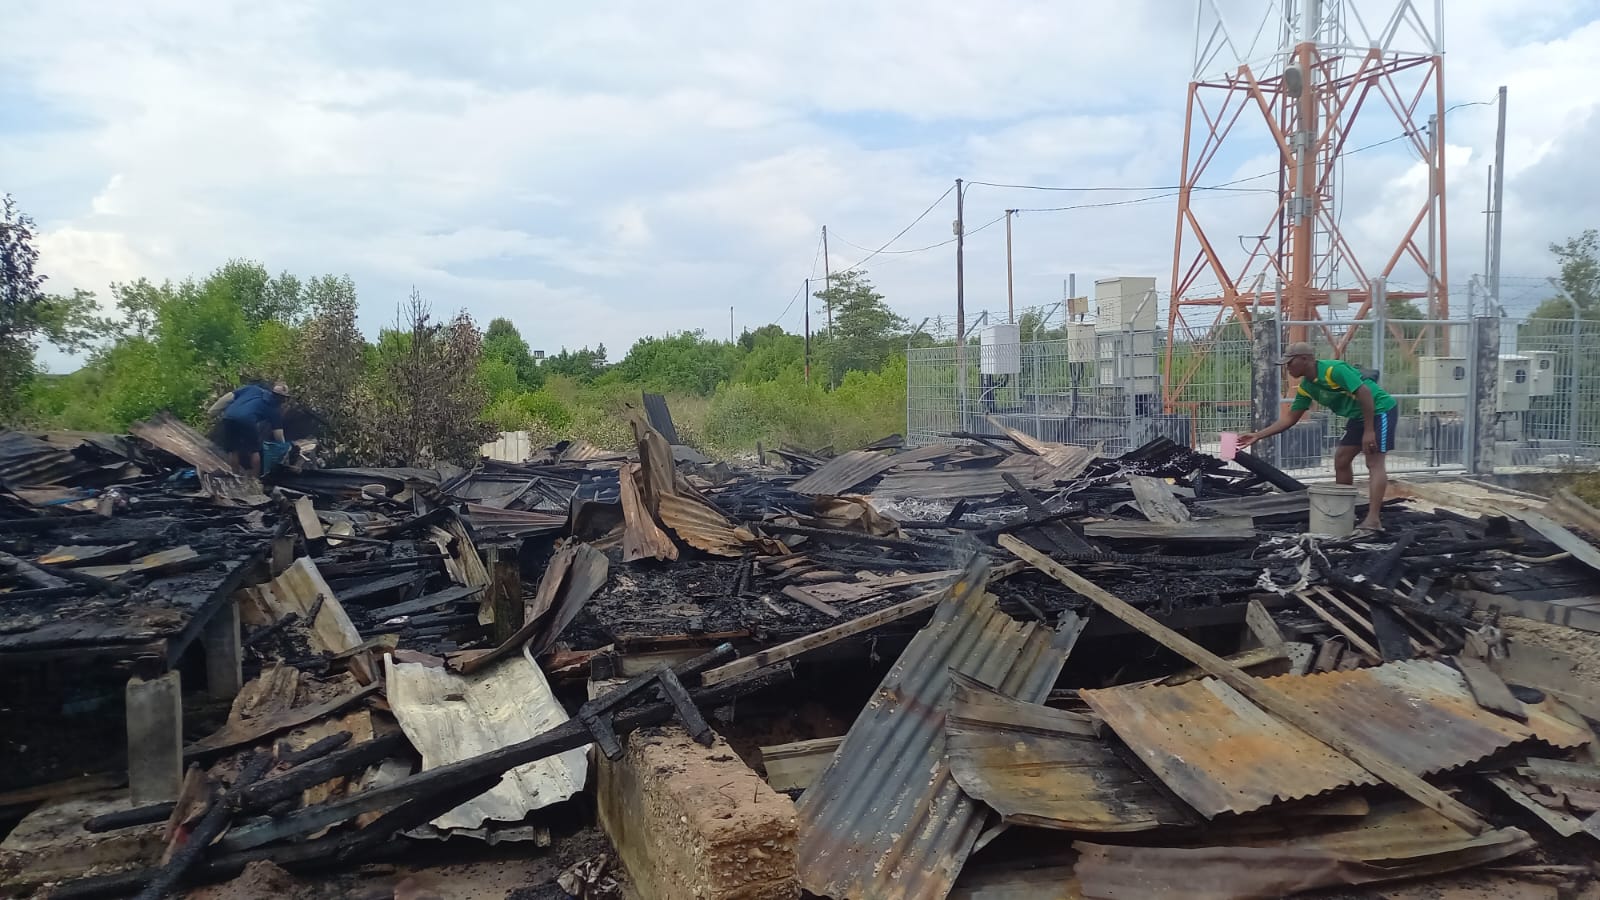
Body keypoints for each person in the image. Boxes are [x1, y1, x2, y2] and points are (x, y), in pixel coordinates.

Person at [1238, 342, 1397, 532]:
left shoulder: (1333, 370)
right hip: (1358, 416)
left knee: (1374, 462)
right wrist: (1257, 435)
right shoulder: (1306, 387)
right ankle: (1345, 510)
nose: (1287, 368)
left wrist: (1369, 430)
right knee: (1341, 459)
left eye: (1290, 363)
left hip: (1380, 410)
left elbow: (1365, 393)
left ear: (1305, 359)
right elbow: (1290, 418)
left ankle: (1373, 519)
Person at [207, 380, 289, 475]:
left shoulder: (251, 389)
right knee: (254, 451)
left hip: (228, 416)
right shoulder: (274, 409)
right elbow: (278, 435)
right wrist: (285, 448)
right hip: (247, 421)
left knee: (233, 450)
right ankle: (254, 479)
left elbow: (228, 397)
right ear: (282, 398)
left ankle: (235, 475)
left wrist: (213, 410)